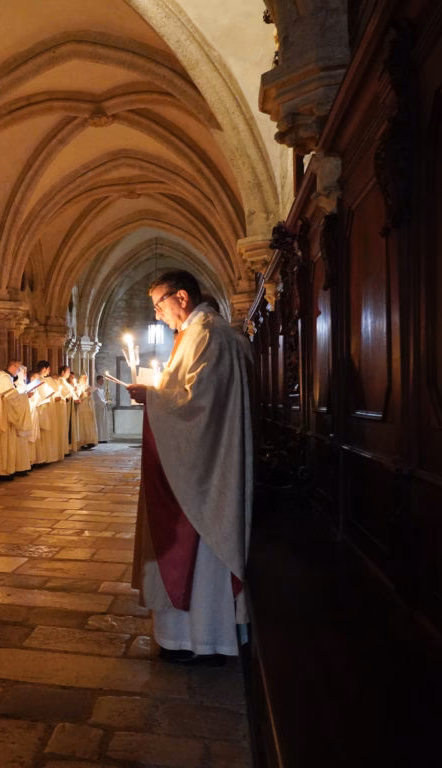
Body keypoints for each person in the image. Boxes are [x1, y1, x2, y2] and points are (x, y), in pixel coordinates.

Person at [126, 269, 254, 666]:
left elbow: (198, 405)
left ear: (181, 297)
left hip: (206, 470)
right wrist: (160, 393)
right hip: (202, 462)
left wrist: (153, 396)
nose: (159, 314)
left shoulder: (209, 334)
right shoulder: (198, 334)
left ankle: (204, 640)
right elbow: (187, 393)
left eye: (159, 304)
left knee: (201, 548)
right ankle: (190, 637)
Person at [92, 374, 111, 443]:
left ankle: (104, 437)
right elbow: (98, 399)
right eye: (101, 380)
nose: (103, 381)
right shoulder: (95, 389)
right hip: (98, 408)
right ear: (98, 380)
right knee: (99, 423)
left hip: (102, 408)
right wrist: (105, 402)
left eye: (103, 380)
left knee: (103, 422)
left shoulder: (101, 389)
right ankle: (99, 438)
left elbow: (102, 398)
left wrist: (106, 401)